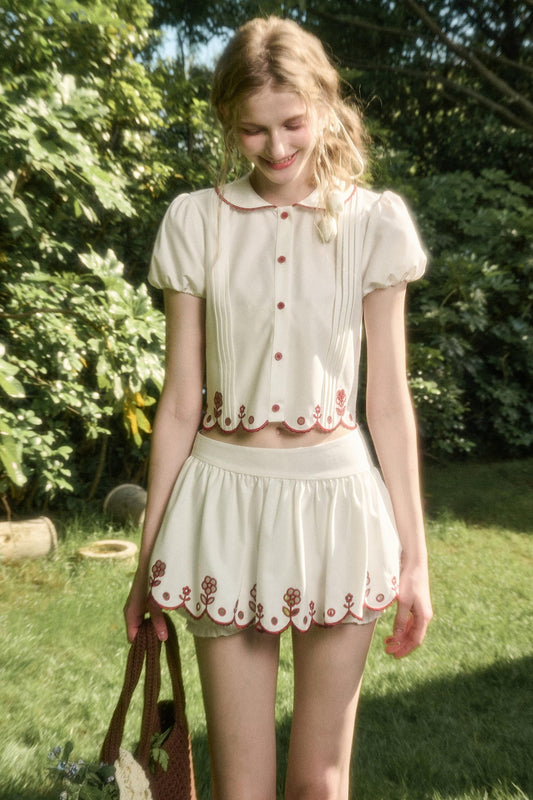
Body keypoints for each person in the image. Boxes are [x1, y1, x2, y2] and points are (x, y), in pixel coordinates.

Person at [124, 15, 432, 800]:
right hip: (222, 506)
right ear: (228, 122)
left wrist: (414, 560)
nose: (275, 147)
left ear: (324, 104)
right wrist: (147, 562)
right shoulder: (195, 220)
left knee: (320, 782)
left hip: (339, 506)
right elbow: (180, 403)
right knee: (242, 788)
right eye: (252, 129)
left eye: (292, 122)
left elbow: (387, 402)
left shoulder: (373, 222)